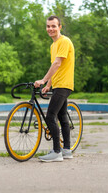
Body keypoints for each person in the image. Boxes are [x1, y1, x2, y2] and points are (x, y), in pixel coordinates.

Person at [34, 15, 75, 162]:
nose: (50, 29)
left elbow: (57, 63)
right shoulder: (53, 46)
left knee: (50, 115)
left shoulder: (64, 41)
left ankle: (57, 151)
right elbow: (55, 67)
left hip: (64, 84)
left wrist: (43, 80)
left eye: (53, 26)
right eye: (48, 26)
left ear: (60, 27)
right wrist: (48, 85)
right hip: (58, 84)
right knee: (62, 117)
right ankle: (67, 151)